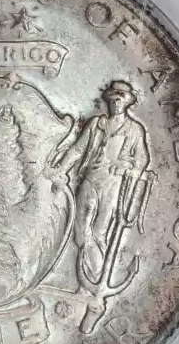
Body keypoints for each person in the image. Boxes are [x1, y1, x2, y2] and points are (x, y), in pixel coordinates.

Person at [50, 80, 151, 279]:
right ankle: (93, 274)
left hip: (114, 185)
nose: (116, 102)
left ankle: (93, 280)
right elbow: (77, 150)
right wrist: (61, 169)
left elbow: (142, 159)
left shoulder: (134, 129)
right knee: (81, 229)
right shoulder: (96, 124)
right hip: (90, 180)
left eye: (120, 99)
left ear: (127, 102)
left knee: (100, 232)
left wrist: (125, 167)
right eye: (113, 98)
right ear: (108, 100)